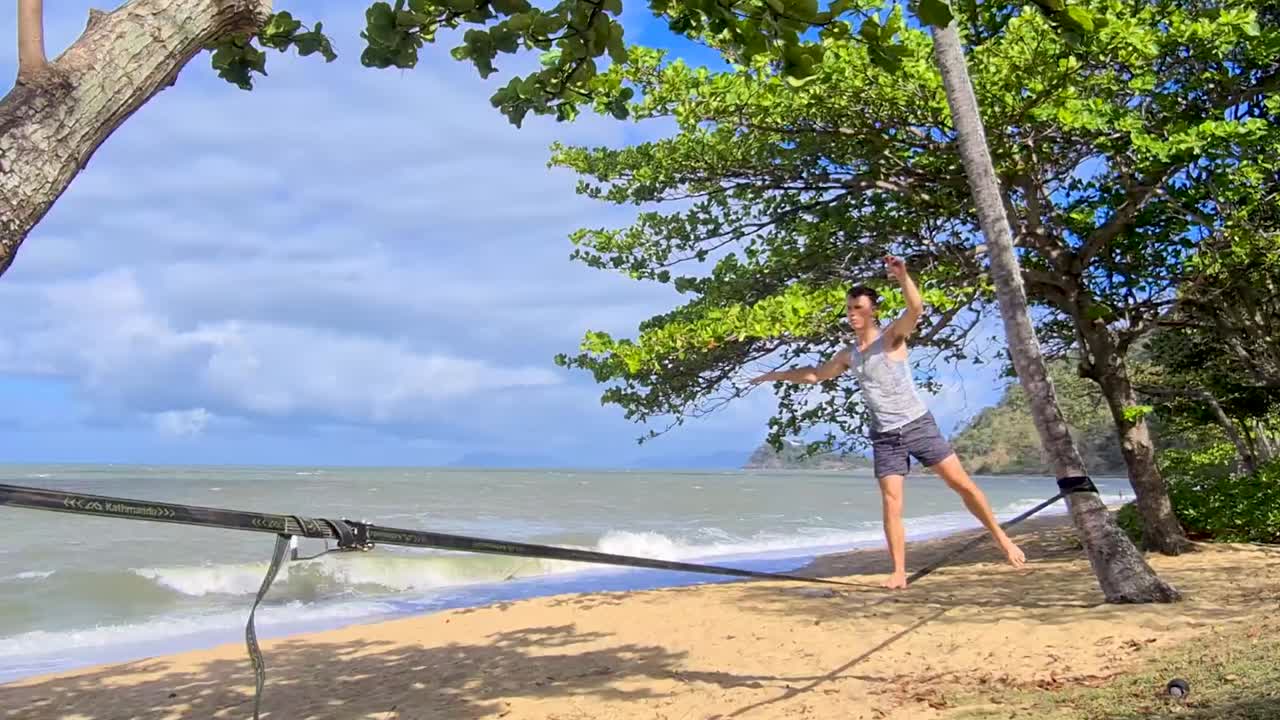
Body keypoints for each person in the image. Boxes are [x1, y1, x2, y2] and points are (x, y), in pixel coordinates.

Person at [750, 256, 1026, 589]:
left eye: (858, 308)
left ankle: (1002, 539)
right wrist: (772, 375)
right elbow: (814, 375)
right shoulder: (848, 355)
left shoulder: (892, 338)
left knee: (963, 486)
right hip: (885, 436)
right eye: (849, 308)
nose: (852, 314)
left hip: (918, 425)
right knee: (891, 503)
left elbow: (916, 309)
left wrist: (903, 276)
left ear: (873, 311)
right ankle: (898, 572)